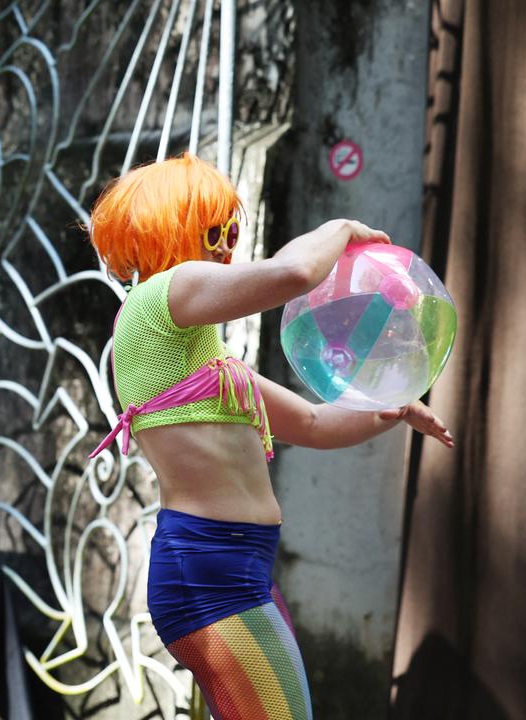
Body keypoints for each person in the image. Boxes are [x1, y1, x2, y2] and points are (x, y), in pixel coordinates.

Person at [86, 153, 453, 720]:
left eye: (234, 227)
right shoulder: (162, 296)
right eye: (219, 227)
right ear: (174, 223)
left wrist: (392, 408)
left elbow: (311, 423)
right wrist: (342, 229)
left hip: (236, 567)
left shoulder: (204, 357)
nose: (231, 240)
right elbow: (292, 275)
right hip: (209, 572)